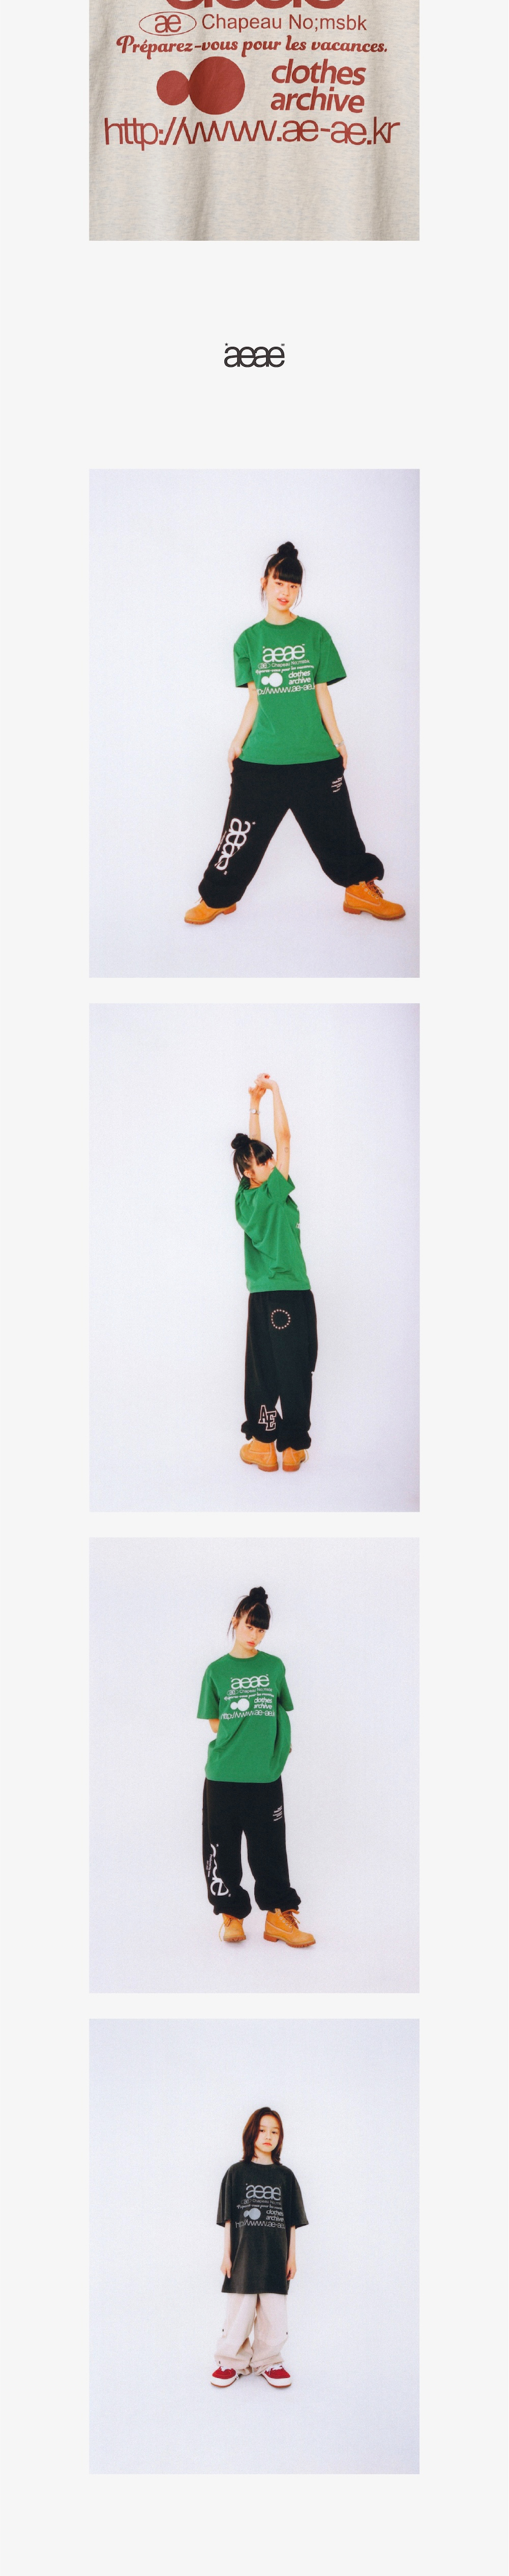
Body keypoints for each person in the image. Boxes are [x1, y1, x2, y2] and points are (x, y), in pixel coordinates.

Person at [185, 539, 405, 929]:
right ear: (264, 583)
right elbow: (255, 700)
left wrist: (338, 740)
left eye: (293, 585)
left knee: (339, 830)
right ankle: (218, 898)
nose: (285, 592)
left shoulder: (315, 634)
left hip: (315, 756)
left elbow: (322, 692)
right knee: (240, 834)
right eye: (279, 583)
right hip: (262, 759)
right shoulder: (248, 641)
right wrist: (237, 741)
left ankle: (358, 889)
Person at [198, 1584, 315, 1948]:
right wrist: (241, 1726)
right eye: (250, 1626)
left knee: (270, 1851)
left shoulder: (274, 1667)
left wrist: (276, 1745)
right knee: (222, 1849)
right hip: (224, 1776)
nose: (255, 1635)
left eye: (262, 1629)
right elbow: (214, 1722)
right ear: (236, 1621)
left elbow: (280, 1712)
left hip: (265, 1776)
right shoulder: (216, 1671)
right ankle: (231, 1915)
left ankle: (278, 1917)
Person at [232, 1074, 317, 1475]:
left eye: (269, 1160)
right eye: (263, 1163)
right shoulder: (275, 1190)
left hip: (263, 1296)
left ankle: (264, 1444)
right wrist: (276, 1092)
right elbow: (285, 1140)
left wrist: (255, 1104)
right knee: (295, 1366)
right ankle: (292, 1447)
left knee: (263, 1368)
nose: (271, 1162)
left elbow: (255, 1149)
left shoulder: (244, 1198)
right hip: (292, 1294)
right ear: (254, 1173)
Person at [212, 2106, 307, 2390]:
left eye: (275, 2132)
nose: (268, 2136)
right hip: (243, 2257)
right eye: (263, 2130)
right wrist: (227, 2256)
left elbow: (291, 2222)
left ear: (280, 2137)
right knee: (239, 2313)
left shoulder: (286, 2176)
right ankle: (231, 2362)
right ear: (252, 2133)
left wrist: (292, 2258)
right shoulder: (236, 2173)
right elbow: (229, 2220)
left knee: (274, 2314)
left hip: (276, 2257)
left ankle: (269, 2361)